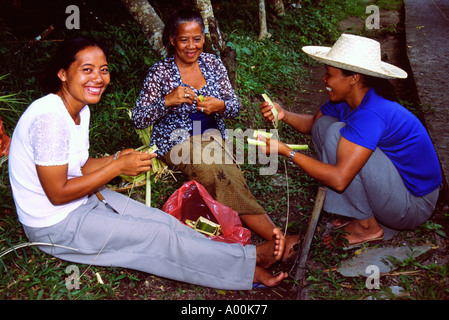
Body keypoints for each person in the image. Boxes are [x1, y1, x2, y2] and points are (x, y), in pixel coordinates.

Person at [8, 36, 288, 290]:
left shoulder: (79, 108)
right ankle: (248, 263)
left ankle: (237, 257)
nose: (98, 78)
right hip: (55, 224)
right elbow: (57, 194)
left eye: (103, 70)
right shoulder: (49, 119)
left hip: (83, 200)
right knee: (156, 236)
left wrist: (119, 158)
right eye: (87, 69)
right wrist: (116, 168)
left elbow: (79, 167)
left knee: (165, 222)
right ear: (62, 73)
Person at [132, 9, 298, 258]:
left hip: (214, 137)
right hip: (178, 140)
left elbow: (234, 105)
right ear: (172, 40)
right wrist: (166, 101)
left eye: (197, 39)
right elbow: (138, 118)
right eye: (184, 39)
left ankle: (266, 238)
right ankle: (273, 235)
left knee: (224, 170)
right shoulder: (160, 72)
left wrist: (220, 106)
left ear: (203, 38)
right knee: (217, 170)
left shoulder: (213, 64)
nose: (191, 46)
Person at [258, 34, 442, 249]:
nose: (324, 80)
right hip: (395, 190)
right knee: (325, 125)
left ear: (354, 78)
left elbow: (339, 180)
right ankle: (360, 213)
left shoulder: (372, 113)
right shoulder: (347, 102)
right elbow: (312, 125)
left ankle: (367, 227)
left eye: (329, 74)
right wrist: (284, 114)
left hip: (414, 205)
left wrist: (287, 152)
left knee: (337, 133)